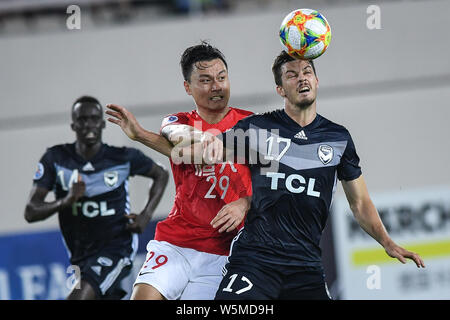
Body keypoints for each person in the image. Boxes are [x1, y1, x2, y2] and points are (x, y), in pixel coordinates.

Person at [199, 51, 425, 300]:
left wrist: (387, 242)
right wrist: (156, 138)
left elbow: (359, 203)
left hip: (305, 266)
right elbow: (202, 151)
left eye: (307, 72)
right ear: (280, 89)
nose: (302, 79)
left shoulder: (338, 138)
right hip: (256, 261)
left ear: (317, 81)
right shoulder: (258, 128)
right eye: (292, 75)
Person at [105, 42, 253, 300]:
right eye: (205, 80)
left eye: (222, 77)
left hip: (224, 250)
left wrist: (245, 203)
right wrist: (141, 135)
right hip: (176, 242)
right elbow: (176, 138)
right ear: (187, 87)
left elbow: (275, 181)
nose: (216, 86)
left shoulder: (252, 124)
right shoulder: (177, 121)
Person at [24, 96, 169, 300]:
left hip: (117, 247)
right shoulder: (55, 159)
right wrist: (65, 201)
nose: (88, 125)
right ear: (73, 125)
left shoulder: (122, 157)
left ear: (102, 123)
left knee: (79, 296)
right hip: (81, 255)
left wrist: (146, 215)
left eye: (93, 119)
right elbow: (31, 211)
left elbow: (161, 174)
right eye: (82, 120)